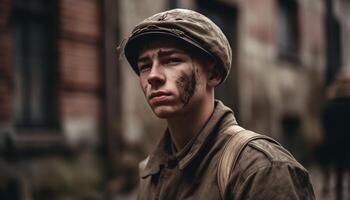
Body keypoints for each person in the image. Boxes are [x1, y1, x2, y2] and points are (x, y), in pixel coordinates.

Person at [122, 8, 315, 200]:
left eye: (172, 60)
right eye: (145, 66)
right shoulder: (150, 173)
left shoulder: (262, 170)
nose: (153, 76)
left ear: (213, 74)